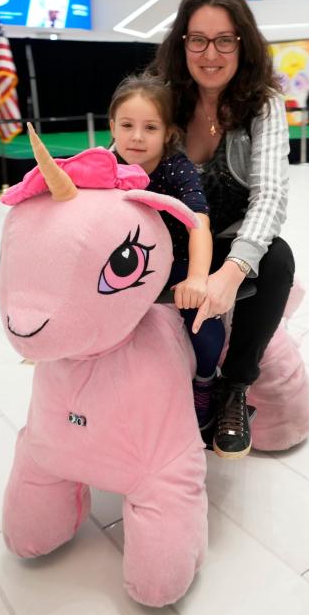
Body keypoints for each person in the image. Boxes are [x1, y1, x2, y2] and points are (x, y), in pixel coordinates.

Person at [148, 0, 295, 458]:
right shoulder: (164, 98)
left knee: (276, 259)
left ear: (242, 44)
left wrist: (232, 272)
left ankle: (233, 389)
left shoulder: (263, 105)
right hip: (171, 240)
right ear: (182, 43)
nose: (210, 53)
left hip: (229, 242)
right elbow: (122, 160)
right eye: (198, 39)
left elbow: (270, 196)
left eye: (224, 40)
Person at [109, 75, 222, 431]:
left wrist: (198, 279)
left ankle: (206, 379)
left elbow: (197, 222)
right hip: (124, 264)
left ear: (168, 133)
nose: (137, 137)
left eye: (150, 127)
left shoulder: (176, 167)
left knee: (201, 320)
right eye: (127, 125)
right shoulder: (103, 166)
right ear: (112, 126)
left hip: (176, 263)